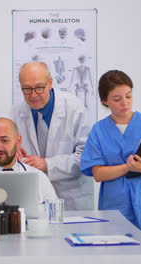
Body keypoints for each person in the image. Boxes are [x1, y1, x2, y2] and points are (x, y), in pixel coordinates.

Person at [80, 70, 141, 242]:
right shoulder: (99, 131)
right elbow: (98, 174)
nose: (125, 103)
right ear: (105, 101)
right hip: (116, 210)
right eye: (117, 99)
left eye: (128, 96)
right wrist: (127, 167)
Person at [11, 61, 93, 211]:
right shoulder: (17, 112)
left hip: (72, 197)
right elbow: (12, 151)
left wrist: (48, 164)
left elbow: (86, 157)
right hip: (34, 197)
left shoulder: (75, 108)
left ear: (50, 83)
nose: (33, 95)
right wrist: (13, 152)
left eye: (39, 88)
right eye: (27, 89)